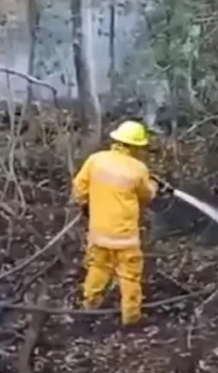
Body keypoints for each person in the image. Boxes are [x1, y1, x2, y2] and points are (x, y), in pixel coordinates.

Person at [71, 120, 173, 328]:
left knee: (98, 267)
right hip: (125, 238)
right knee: (129, 276)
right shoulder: (138, 169)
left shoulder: (95, 160)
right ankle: (131, 319)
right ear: (135, 146)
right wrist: (153, 185)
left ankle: (90, 305)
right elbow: (146, 196)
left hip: (99, 233)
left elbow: (79, 189)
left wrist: (86, 205)